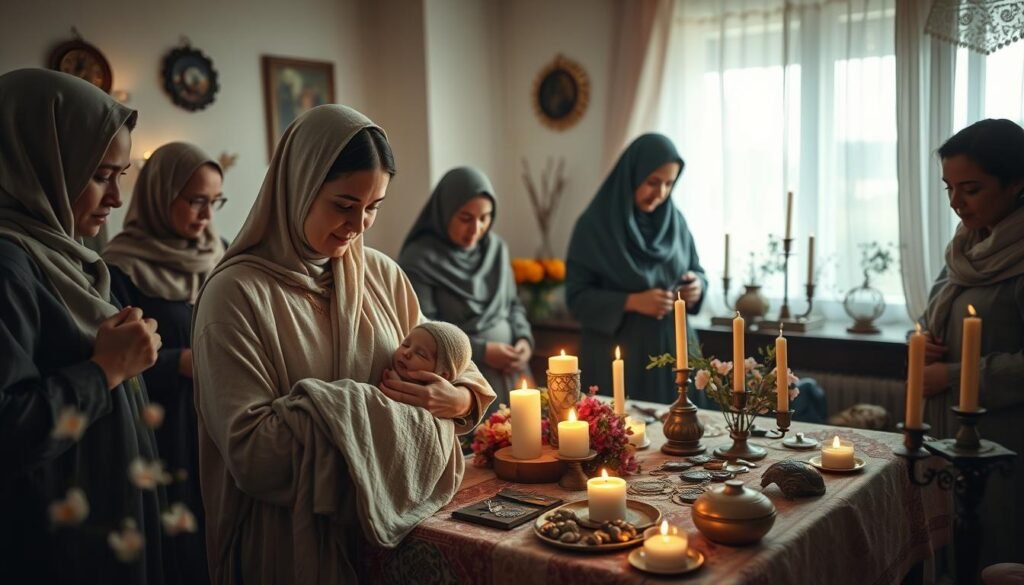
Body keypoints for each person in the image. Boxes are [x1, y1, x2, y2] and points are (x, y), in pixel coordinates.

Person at [192, 105, 495, 584]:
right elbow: (253, 453)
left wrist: (457, 400)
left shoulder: (380, 274)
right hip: (288, 543)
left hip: (391, 538)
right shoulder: (235, 295)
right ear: (299, 186)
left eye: (374, 206)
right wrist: (392, 419)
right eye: (344, 204)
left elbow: (455, 364)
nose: (359, 225)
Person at [0, 69, 165, 584]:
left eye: (121, 176)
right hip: (53, 548)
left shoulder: (73, 258)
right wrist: (107, 370)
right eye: (100, 175)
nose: (116, 198)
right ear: (39, 164)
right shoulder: (10, 265)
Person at [102, 142, 226, 585]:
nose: (207, 216)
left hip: (220, 424)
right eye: (196, 200)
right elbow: (112, 363)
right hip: (164, 431)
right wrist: (179, 363)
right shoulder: (118, 269)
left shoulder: (223, 255)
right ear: (159, 194)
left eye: (215, 201)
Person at [920, 118, 1024, 564]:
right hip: (947, 438)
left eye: (971, 188)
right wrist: (920, 342)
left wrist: (953, 375)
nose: (956, 203)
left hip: (1004, 448)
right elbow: (932, 319)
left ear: (1016, 183)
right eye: (949, 188)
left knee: (994, 557)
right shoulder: (965, 247)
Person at [566, 133, 706, 404]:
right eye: (653, 182)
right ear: (631, 175)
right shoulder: (594, 226)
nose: (661, 193)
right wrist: (631, 301)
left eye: (669, 183)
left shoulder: (675, 222)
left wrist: (697, 285)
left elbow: (696, 269)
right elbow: (576, 299)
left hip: (675, 357)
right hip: (619, 358)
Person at [399, 166, 533, 409]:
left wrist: (524, 340)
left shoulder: (496, 249)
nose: (476, 229)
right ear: (445, 212)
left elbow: (513, 305)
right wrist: (482, 351)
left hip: (513, 373)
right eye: (465, 218)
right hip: (463, 382)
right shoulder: (419, 258)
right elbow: (422, 327)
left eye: (485, 218)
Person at [382, 321, 473, 385]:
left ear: (442, 375)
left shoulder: (437, 402)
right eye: (405, 345)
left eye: (421, 354)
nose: (406, 353)